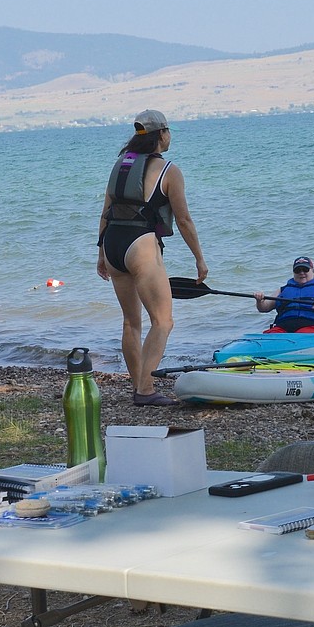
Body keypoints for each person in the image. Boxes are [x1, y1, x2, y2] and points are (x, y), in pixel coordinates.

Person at [97, 109, 208, 407]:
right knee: (162, 321)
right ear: (161, 134)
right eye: (168, 130)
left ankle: (139, 385)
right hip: (141, 245)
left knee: (131, 323)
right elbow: (183, 220)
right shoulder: (169, 170)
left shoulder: (120, 165)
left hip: (113, 245)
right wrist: (199, 259)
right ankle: (145, 390)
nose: (170, 136)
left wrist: (100, 253)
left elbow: (106, 210)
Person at [253, 256, 314, 333]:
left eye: (305, 269)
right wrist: (259, 300)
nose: (301, 273)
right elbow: (264, 309)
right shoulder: (283, 290)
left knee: (303, 332)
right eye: (298, 270)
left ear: (313, 270)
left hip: (313, 327)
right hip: (283, 327)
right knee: (271, 333)